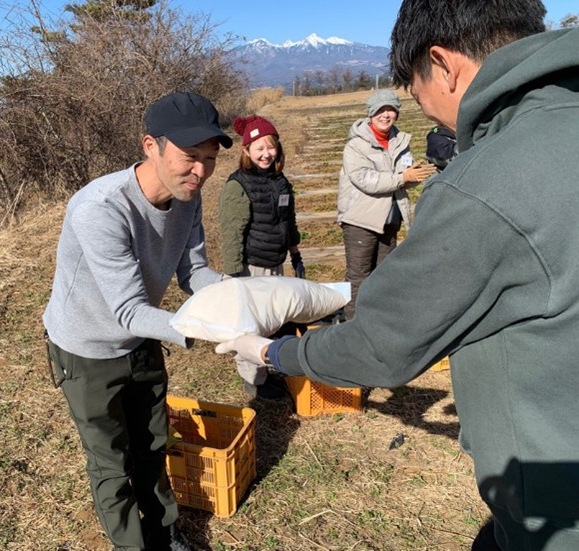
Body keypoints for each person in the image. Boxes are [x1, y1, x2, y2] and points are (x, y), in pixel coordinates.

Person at [216, 2, 579, 550]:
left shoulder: (485, 185)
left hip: (555, 502)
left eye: (414, 90)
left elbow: (381, 345)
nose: (422, 109)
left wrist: (271, 351)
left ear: (444, 64)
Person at [43, 91, 232, 551]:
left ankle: (165, 532)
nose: (201, 171)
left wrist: (240, 295)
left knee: (152, 443)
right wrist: (214, 330)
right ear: (151, 146)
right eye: (190, 156)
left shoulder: (188, 197)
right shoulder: (101, 207)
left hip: (142, 337)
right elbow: (127, 310)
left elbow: (193, 272)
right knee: (112, 461)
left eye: (210, 159)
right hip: (87, 349)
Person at [218, 114, 303, 399]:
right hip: (252, 266)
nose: (267, 154)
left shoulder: (279, 180)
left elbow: (288, 219)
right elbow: (231, 231)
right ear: (246, 150)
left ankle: (267, 366)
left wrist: (294, 251)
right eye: (259, 148)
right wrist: (234, 274)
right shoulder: (238, 185)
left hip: (276, 261)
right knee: (251, 323)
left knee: (272, 319)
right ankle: (253, 379)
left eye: (271, 147)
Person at [337, 89, 436, 320]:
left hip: (390, 219)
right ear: (371, 114)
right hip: (360, 220)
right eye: (380, 110)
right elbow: (364, 179)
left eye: (391, 110)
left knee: (384, 276)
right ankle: (353, 325)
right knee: (358, 276)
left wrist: (415, 175)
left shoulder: (400, 141)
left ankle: (380, 323)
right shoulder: (356, 145)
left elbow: (403, 177)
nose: (386, 115)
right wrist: (403, 177)